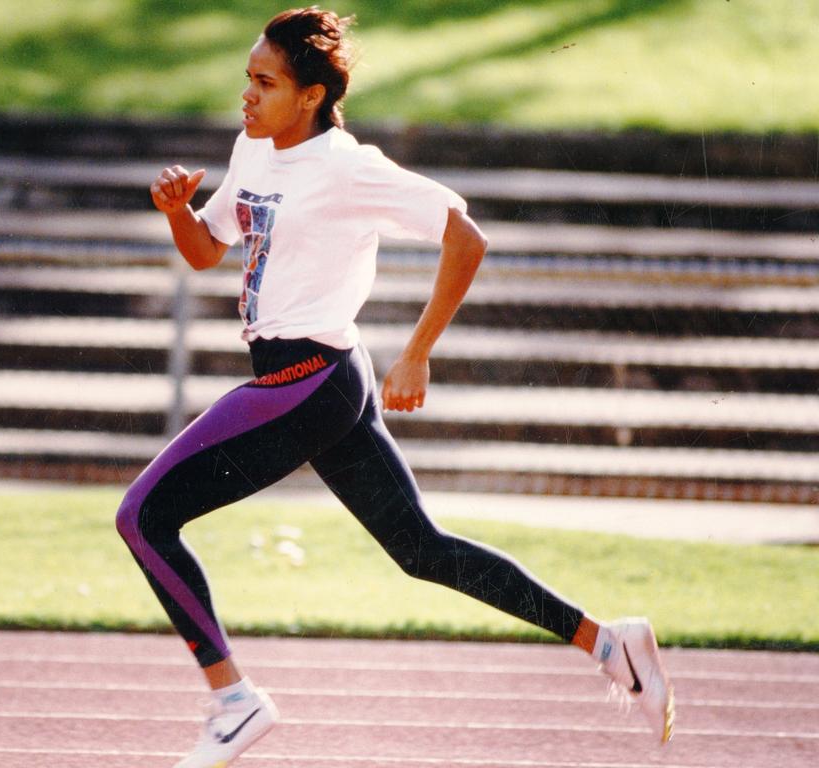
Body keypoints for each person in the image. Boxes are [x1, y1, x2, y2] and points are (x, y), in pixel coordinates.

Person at [116, 7, 675, 766]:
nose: (246, 94)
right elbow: (209, 251)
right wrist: (179, 211)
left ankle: (233, 700)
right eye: (247, 78)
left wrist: (418, 353)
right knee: (421, 550)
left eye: (264, 81)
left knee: (143, 517)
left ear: (310, 96)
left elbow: (466, 236)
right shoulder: (252, 148)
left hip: (305, 378)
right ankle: (609, 641)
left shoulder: (349, 166)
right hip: (320, 379)